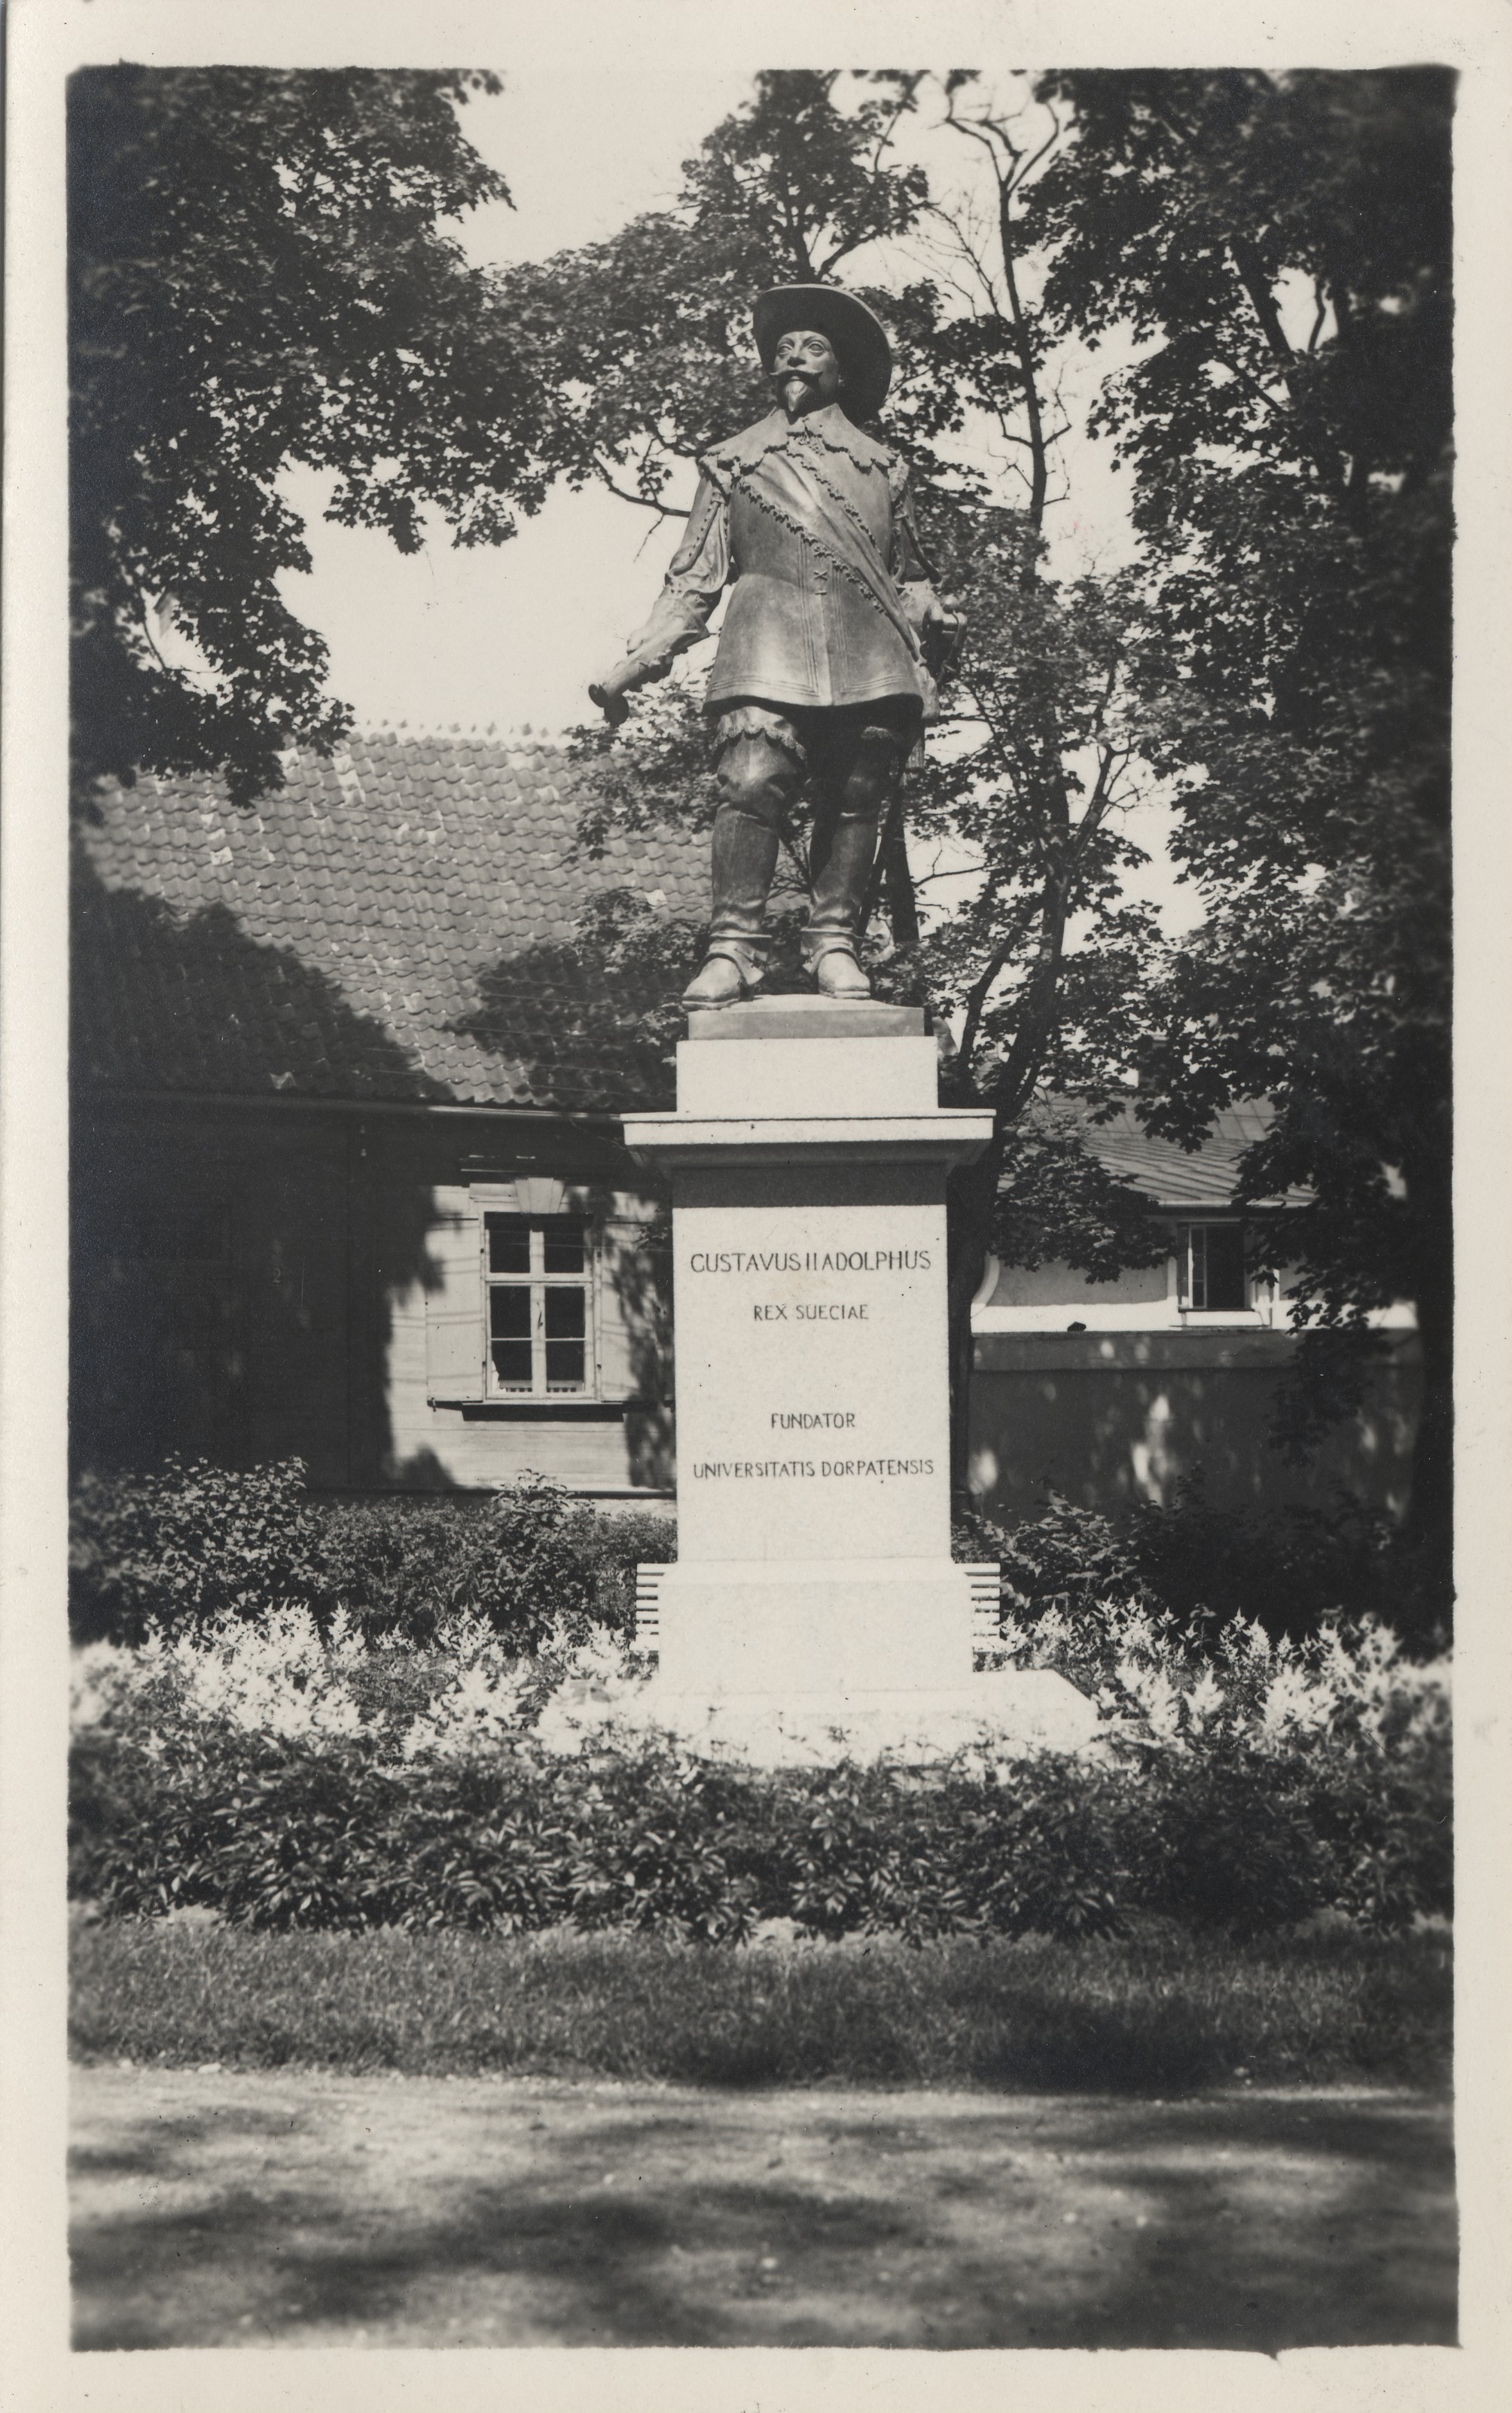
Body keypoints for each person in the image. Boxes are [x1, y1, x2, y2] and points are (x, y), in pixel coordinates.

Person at [590, 285, 956, 1009]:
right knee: (751, 782)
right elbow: (694, 578)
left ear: (842, 372)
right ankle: (731, 949)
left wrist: (932, 612)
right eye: (782, 349)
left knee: (855, 797)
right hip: (764, 642)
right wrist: (640, 658)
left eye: (813, 348)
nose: (794, 357)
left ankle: (835, 943)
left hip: (867, 651)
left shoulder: (887, 470)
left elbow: (909, 576)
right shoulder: (731, 462)